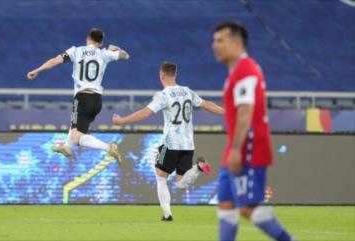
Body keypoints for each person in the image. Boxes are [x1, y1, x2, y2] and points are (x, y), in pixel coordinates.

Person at [211, 21, 295, 241]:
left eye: (220, 40)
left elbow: (246, 110)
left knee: (247, 208)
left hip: (249, 147)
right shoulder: (237, 71)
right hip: (236, 147)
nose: (214, 45)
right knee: (226, 205)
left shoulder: (246, 69)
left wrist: (237, 149)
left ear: (236, 42)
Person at [112, 61, 224, 221]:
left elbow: (146, 112)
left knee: (160, 176)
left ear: (161, 75)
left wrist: (122, 121)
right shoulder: (187, 91)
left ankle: (167, 214)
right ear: (175, 74)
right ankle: (198, 167)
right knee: (180, 182)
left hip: (170, 144)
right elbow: (206, 105)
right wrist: (226, 112)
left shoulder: (163, 95)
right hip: (188, 144)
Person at [27, 28, 129, 163]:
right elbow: (125, 56)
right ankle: (67, 146)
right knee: (75, 127)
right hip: (97, 100)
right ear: (101, 42)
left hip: (82, 98)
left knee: (77, 135)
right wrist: (114, 48)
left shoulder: (76, 51)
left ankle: (108, 147)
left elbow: (55, 61)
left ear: (87, 39)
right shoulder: (104, 54)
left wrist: (37, 70)